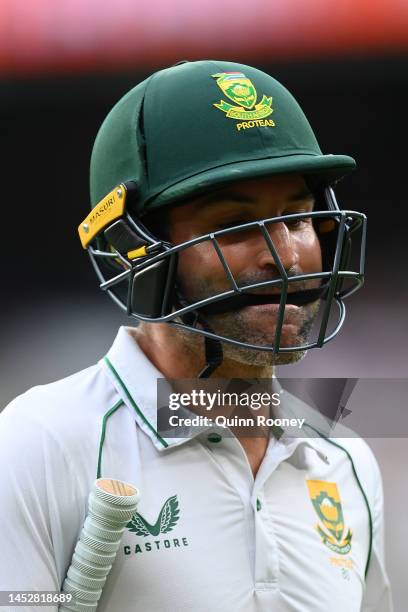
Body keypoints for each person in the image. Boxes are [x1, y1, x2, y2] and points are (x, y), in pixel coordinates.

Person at [0, 61, 392, 611]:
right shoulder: (41, 443)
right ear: (136, 251)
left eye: (298, 219)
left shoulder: (344, 461)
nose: (283, 256)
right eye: (233, 224)